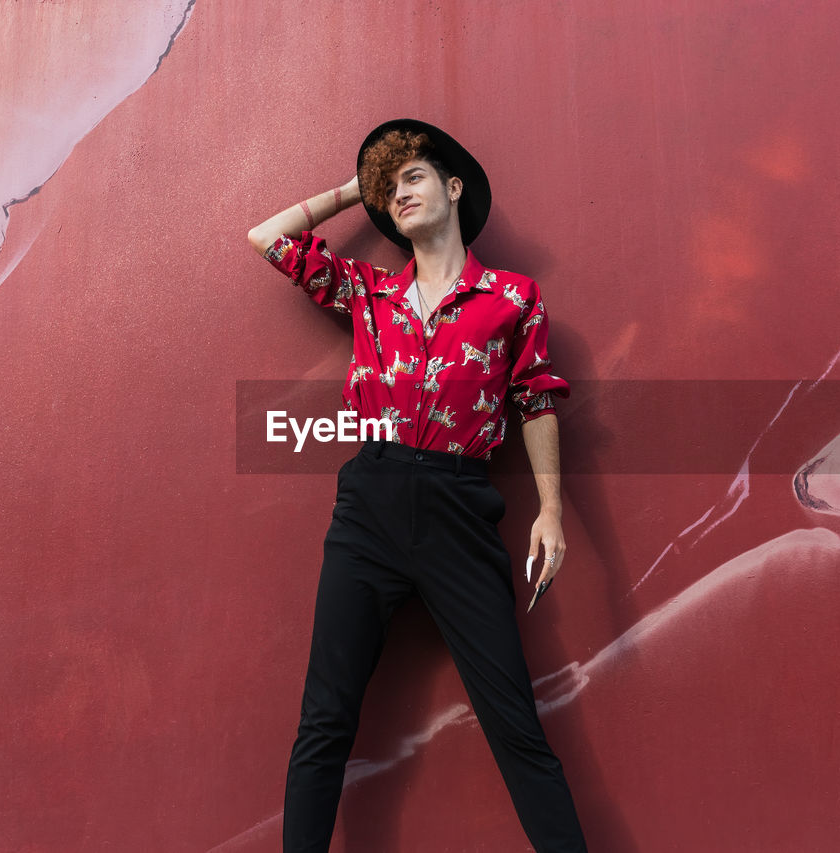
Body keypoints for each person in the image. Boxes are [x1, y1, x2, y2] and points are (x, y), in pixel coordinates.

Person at [247, 118, 587, 852]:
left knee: (516, 725)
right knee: (325, 719)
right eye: (388, 187)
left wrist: (552, 511)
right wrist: (354, 190)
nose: (398, 193)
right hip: (368, 506)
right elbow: (267, 238)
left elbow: (534, 399)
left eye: (413, 177)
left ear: (453, 188)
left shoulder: (512, 298)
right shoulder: (367, 293)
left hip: (460, 513)